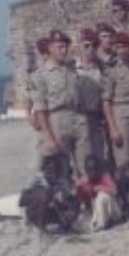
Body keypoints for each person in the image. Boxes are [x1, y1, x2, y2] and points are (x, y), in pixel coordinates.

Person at [32, 30, 87, 177]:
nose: (64, 50)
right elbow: (40, 109)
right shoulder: (40, 75)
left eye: (65, 47)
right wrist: (48, 137)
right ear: (50, 48)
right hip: (57, 120)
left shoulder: (71, 70)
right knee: (60, 170)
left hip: (77, 118)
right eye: (59, 47)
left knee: (84, 166)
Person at [102, 31, 129, 173]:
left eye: (125, 47)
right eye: (118, 47)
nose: (121, 50)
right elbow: (106, 101)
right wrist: (113, 128)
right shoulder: (111, 69)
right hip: (120, 113)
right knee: (124, 158)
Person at [19, 152, 79, 233]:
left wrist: (63, 197)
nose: (52, 175)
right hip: (36, 211)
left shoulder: (61, 181)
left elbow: (69, 197)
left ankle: (66, 225)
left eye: (55, 172)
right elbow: (22, 201)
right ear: (44, 170)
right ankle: (39, 226)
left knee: (73, 199)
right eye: (50, 171)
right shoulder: (36, 181)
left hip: (53, 210)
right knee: (44, 194)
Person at [74, 28, 107, 175]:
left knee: (100, 154)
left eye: (93, 46)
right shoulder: (72, 68)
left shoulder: (102, 68)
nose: (90, 49)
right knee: (83, 157)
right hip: (79, 117)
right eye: (86, 45)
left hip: (97, 117)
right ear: (80, 46)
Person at [76, 155, 122, 232]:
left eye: (94, 169)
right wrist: (78, 188)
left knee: (102, 196)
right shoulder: (84, 182)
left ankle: (100, 224)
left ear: (98, 169)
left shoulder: (104, 177)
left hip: (113, 210)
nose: (92, 172)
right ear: (86, 170)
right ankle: (96, 222)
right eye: (90, 169)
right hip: (94, 211)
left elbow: (114, 191)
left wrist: (97, 188)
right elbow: (82, 200)